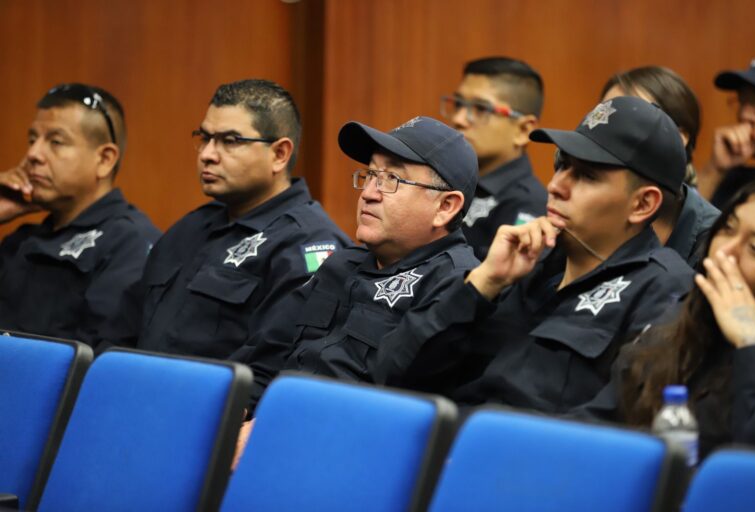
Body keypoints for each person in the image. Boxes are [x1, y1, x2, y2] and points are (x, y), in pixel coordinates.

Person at [377, 97, 695, 414]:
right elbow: (393, 373)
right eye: (562, 165)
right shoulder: (523, 265)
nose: (556, 185)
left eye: (586, 176)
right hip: (446, 442)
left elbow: (614, 427)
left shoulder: (665, 291)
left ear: (642, 205)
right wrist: (482, 284)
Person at [236, 116, 480, 408]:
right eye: (371, 175)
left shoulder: (458, 285)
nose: (368, 194)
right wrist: (245, 415)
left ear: (445, 207)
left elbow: (395, 405)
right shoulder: (341, 263)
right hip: (278, 421)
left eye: (392, 180)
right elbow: (266, 358)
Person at [118, 79, 350, 359]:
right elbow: (123, 331)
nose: (207, 155)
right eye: (204, 138)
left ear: (279, 154)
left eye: (230, 141)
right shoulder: (190, 227)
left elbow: (272, 371)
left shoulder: (307, 244)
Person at [584, 174, 755, 461]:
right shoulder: (681, 318)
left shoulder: (754, 352)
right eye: (728, 229)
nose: (725, 252)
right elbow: (598, 420)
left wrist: (754, 346)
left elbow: (753, 473)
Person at [0, 83, 160, 351]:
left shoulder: (130, 240)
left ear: (105, 159)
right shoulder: (21, 239)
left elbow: (99, 361)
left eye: (56, 142)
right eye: (32, 140)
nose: (33, 154)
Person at [601, 66, 720, 266]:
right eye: (605, 118)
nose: (605, 136)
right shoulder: (587, 205)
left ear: (678, 139)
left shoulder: (713, 242)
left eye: (627, 121)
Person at [441, 56, 547, 259]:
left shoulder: (528, 206)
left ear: (524, 130)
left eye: (481, 109)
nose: (459, 119)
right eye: (458, 104)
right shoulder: (444, 181)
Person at [699, 48, 755, 209]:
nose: (744, 114)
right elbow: (679, 232)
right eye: (742, 101)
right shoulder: (738, 182)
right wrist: (714, 170)